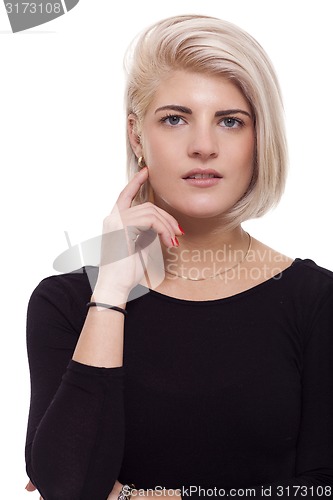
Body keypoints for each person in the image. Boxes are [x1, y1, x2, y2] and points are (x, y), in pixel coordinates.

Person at [25, 14, 333, 500]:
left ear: (259, 139)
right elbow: (66, 486)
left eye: (230, 122)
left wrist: (140, 497)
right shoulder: (66, 303)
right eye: (174, 119)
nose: (203, 147)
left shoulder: (316, 302)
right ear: (136, 136)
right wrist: (110, 292)